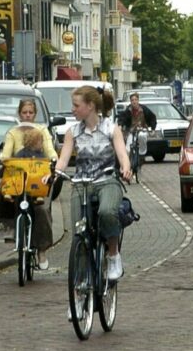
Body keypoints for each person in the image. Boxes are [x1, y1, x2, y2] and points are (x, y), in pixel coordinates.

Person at [49, 86, 132, 281]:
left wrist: (126, 168)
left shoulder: (111, 129)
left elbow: (122, 154)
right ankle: (81, 282)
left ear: (91, 106)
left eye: (76, 105)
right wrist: (55, 174)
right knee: (79, 229)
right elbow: (63, 159)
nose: (73, 110)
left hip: (107, 180)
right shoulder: (72, 132)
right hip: (81, 183)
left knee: (106, 212)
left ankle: (113, 255)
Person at [0, 98, 56, 270]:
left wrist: (54, 160)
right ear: (19, 113)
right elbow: (6, 153)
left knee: (42, 210)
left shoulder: (42, 131)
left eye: (31, 112)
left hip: (37, 178)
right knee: (2, 194)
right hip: (17, 177)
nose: (28, 116)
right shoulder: (13, 133)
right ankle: (10, 227)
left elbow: (50, 150)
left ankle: (42, 250)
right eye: (24, 112)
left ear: (35, 114)